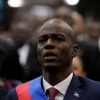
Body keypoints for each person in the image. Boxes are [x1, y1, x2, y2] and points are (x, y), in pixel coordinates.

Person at [6, 18, 100, 100]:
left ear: (74, 50)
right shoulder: (17, 95)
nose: (48, 44)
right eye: (42, 40)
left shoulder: (96, 93)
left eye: (58, 39)